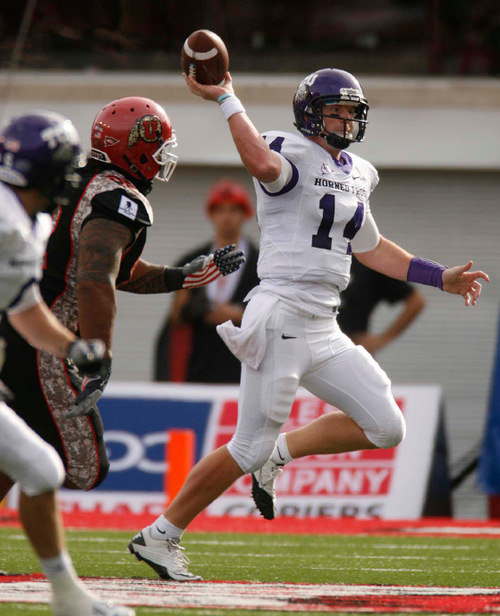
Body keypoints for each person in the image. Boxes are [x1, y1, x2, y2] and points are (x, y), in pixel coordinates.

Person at [128, 67, 488, 580]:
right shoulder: (286, 149)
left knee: (386, 426)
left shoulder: (358, 172)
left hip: (323, 321)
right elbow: (258, 161)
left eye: (351, 111)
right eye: (336, 109)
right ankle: (160, 536)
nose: (346, 119)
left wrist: (439, 276)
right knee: (244, 446)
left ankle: (283, 450)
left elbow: (375, 249)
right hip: (281, 311)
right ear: (309, 113)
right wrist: (227, 97)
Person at [0, 96, 245, 498]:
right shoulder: (117, 199)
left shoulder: (76, 181)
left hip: (15, 323)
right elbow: (96, 278)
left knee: (22, 444)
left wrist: (183, 276)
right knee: (84, 467)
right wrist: (100, 355)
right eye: (157, 147)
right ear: (136, 147)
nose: (163, 157)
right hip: (45, 339)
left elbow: (112, 270)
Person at [0, 110, 135, 616]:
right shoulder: (9, 222)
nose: (72, 179)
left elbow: (25, 310)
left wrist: (72, 348)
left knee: (41, 469)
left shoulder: (26, 220)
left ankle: (68, 599)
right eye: (64, 167)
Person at [154, 178, 259, 383]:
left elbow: (275, 313)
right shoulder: (190, 261)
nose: (227, 218)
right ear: (211, 214)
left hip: (243, 365)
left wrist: (239, 314)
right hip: (199, 363)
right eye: (220, 210)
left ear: (245, 214)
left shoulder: (261, 264)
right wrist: (196, 309)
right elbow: (176, 318)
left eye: (233, 210)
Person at [337, 256, 426, 354]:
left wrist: (382, 339)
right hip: (319, 345)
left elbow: (416, 301)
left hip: (350, 351)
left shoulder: (366, 260)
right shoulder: (321, 255)